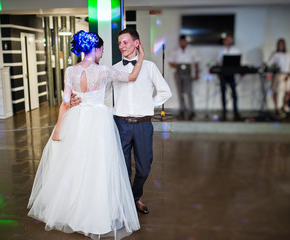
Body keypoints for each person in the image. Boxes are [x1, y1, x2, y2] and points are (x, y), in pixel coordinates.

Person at [27, 30, 144, 239]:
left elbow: (65, 101)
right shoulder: (105, 71)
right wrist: (141, 56)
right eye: (101, 50)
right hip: (99, 121)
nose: (102, 54)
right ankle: (97, 214)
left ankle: (74, 212)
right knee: (98, 166)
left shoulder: (70, 71)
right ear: (96, 49)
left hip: (76, 119)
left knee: (76, 165)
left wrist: (57, 129)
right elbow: (133, 76)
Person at [71, 28, 172, 215]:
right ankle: (126, 203)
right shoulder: (113, 69)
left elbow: (165, 91)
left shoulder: (149, 67)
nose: (121, 46)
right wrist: (81, 100)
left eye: (125, 42)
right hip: (120, 124)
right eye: (119, 43)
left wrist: (149, 105)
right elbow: (102, 93)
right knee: (122, 169)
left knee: (144, 167)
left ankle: (135, 196)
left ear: (137, 43)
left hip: (143, 124)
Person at [169, 35, 199, 120]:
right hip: (178, 73)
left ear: (186, 41)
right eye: (181, 41)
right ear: (179, 42)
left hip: (188, 73)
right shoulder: (175, 50)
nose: (182, 43)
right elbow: (170, 62)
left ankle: (191, 111)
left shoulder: (192, 50)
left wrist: (196, 73)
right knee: (180, 92)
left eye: (184, 41)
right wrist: (178, 67)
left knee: (189, 92)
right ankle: (182, 110)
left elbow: (196, 61)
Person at [216, 35, 241, 121]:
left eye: (229, 40)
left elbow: (238, 62)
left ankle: (236, 111)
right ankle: (224, 111)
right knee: (223, 93)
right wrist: (218, 73)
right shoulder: (221, 51)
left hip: (232, 74)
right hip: (223, 74)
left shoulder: (236, 50)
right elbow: (218, 62)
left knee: (234, 93)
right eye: (226, 40)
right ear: (224, 41)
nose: (228, 41)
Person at [267, 38, 290, 116]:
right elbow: (269, 64)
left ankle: (284, 106)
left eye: (282, 44)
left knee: (288, 92)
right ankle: (276, 108)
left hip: (287, 74)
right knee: (276, 91)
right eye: (279, 44)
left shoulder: (288, 54)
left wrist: (289, 74)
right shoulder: (275, 54)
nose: (281, 46)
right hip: (279, 74)